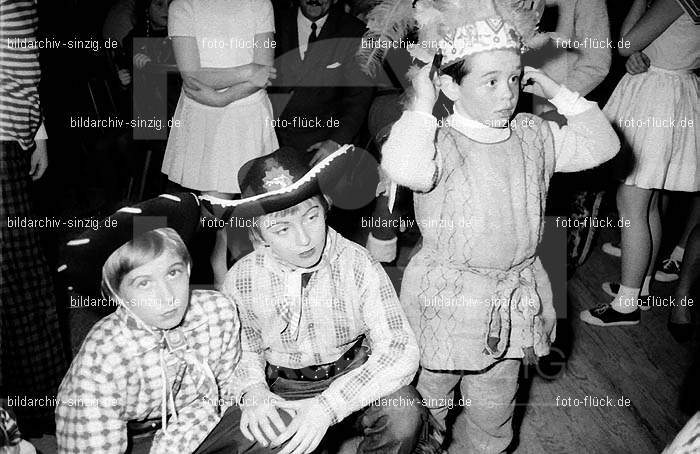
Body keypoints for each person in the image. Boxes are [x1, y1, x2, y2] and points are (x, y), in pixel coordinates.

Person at [369, 0, 620, 450]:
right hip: (443, 303)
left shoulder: (534, 133)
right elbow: (405, 170)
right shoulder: (437, 140)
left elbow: (603, 146)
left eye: (513, 77)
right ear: (449, 85)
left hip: (513, 300)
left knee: (495, 409)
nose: (507, 92)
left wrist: (558, 92)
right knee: (430, 406)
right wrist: (422, 106)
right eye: (489, 81)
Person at [205, 146, 427, 454]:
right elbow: (243, 349)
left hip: (353, 373)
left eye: (312, 216)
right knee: (254, 437)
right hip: (284, 386)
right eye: (282, 229)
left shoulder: (357, 262)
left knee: (403, 410)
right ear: (258, 236)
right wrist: (253, 390)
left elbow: (399, 347)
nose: (304, 239)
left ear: (326, 208)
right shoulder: (243, 277)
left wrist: (327, 407)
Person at [54, 193, 280, 454]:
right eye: (144, 283)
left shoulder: (218, 311)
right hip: (130, 441)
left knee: (275, 426)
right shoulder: (104, 355)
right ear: (116, 293)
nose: (167, 297)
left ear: (188, 268)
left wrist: (252, 394)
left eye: (173, 273)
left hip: (200, 424)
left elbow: (226, 386)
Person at [580, 0, 699, 327]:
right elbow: (637, 46)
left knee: (631, 202)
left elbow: (625, 44)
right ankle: (640, 287)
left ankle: (626, 305)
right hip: (673, 91)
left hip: (657, 97)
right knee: (646, 206)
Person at [164, 0, 279, 287]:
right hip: (205, 117)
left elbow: (264, 72)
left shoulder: (259, 4)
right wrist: (247, 70)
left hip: (249, 113)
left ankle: (259, 283)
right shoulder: (183, 6)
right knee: (215, 214)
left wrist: (223, 96)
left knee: (259, 209)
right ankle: (218, 284)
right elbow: (192, 76)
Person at [0, 0, 68, 435]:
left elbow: (26, 62)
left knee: (22, 277)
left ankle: (36, 408)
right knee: (14, 279)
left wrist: (38, 131)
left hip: (15, 134)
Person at [270, 0, 374, 165]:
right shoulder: (273, 24)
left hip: (327, 146)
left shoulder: (354, 31)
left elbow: (359, 97)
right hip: (276, 143)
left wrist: (336, 141)